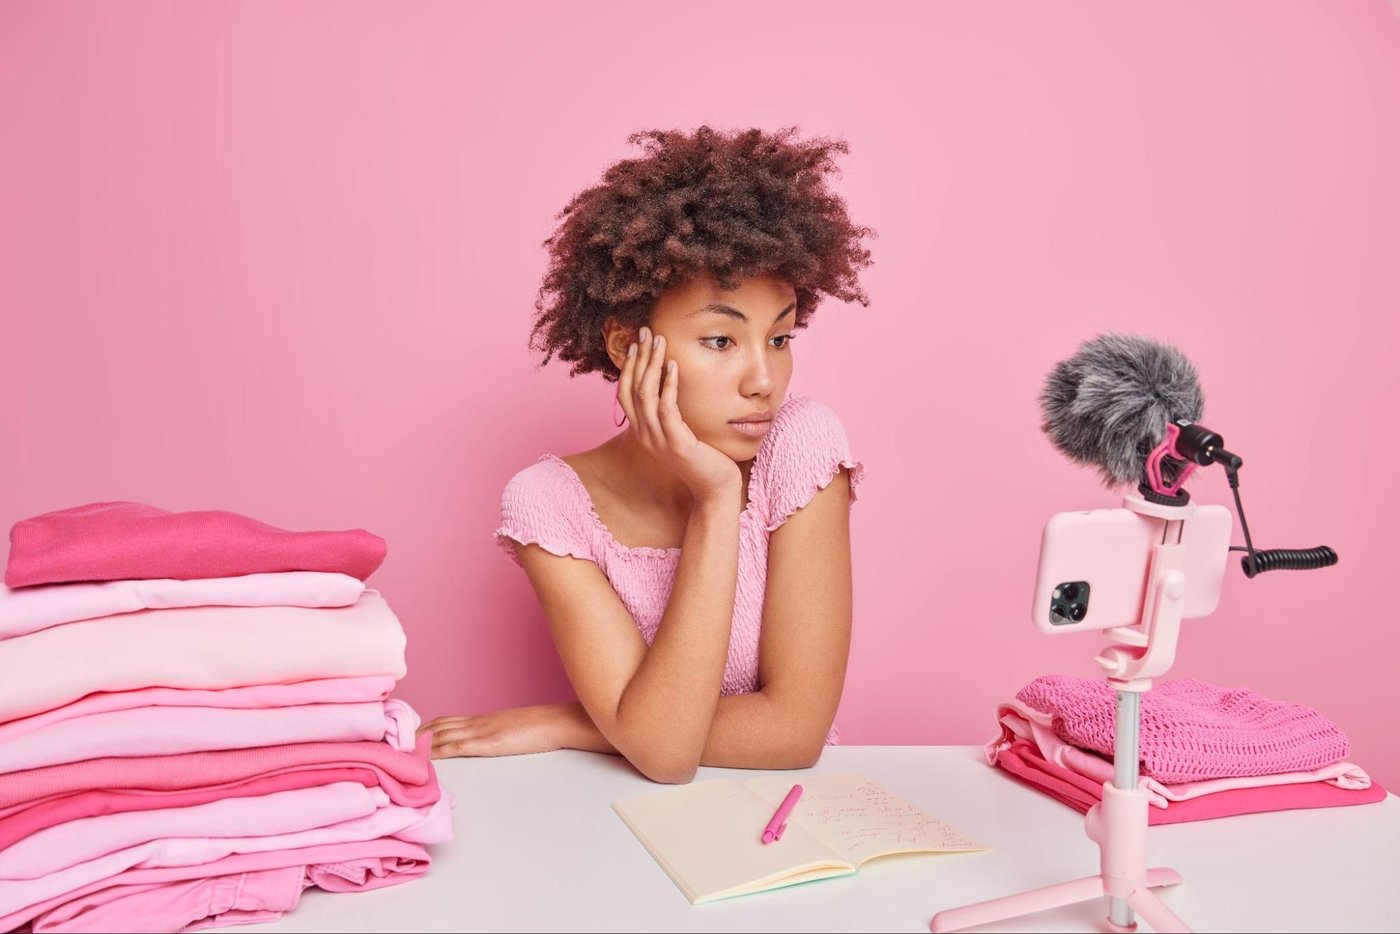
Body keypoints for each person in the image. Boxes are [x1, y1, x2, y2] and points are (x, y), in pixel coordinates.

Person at [420, 127, 873, 783]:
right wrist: (718, 502)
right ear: (627, 347)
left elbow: (794, 734)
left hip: (791, 819)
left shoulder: (801, 446)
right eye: (721, 340)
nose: (763, 379)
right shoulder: (551, 506)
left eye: (779, 338)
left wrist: (579, 722)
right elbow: (664, 755)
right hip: (616, 830)